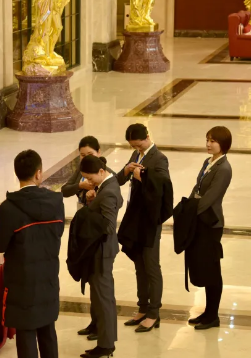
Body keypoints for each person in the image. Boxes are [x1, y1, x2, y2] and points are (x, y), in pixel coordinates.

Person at [0, 150, 65, 358]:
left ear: (17, 174)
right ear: (38, 174)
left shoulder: (8, 208)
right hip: (48, 277)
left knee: (26, 332)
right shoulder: (56, 202)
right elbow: (58, 231)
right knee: (48, 330)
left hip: (21, 281)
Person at [117, 123, 171, 332]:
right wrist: (127, 170)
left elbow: (162, 185)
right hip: (135, 218)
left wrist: (142, 176)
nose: (137, 149)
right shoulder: (136, 155)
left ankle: (154, 313)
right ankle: (143, 307)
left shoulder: (159, 158)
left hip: (149, 220)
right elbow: (121, 180)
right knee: (139, 265)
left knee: (151, 266)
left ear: (147, 137)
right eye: (134, 147)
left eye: (139, 145)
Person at [61, 136, 115, 341]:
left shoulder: (107, 182)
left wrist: (92, 201)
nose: (84, 159)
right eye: (81, 155)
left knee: (102, 290)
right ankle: (96, 324)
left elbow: (108, 222)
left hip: (98, 239)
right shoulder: (84, 170)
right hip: (87, 232)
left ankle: (105, 336)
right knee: (94, 285)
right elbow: (66, 189)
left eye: (89, 155)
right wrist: (82, 188)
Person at [186, 126, 233, 330]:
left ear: (223, 144)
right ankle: (207, 312)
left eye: (213, 141)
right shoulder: (209, 162)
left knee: (212, 269)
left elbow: (209, 198)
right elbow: (197, 189)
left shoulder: (224, 168)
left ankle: (213, 315)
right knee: (204, 267)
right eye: (207, 139)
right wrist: (188, 205)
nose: (208, 144)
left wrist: (191, 212)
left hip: (211, 223)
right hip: (201, 219)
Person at [80, 155, 123, 358]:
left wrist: (90, 211)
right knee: (103, 297)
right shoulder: (110, 182)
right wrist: (93, 201)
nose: (88, 182)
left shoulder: (108, 192)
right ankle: (106, 340)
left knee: (104, 298)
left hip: (102, 251)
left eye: (90, 178)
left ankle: (106, 346)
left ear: (100, 172)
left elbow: (108, 225)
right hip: (103, 250)